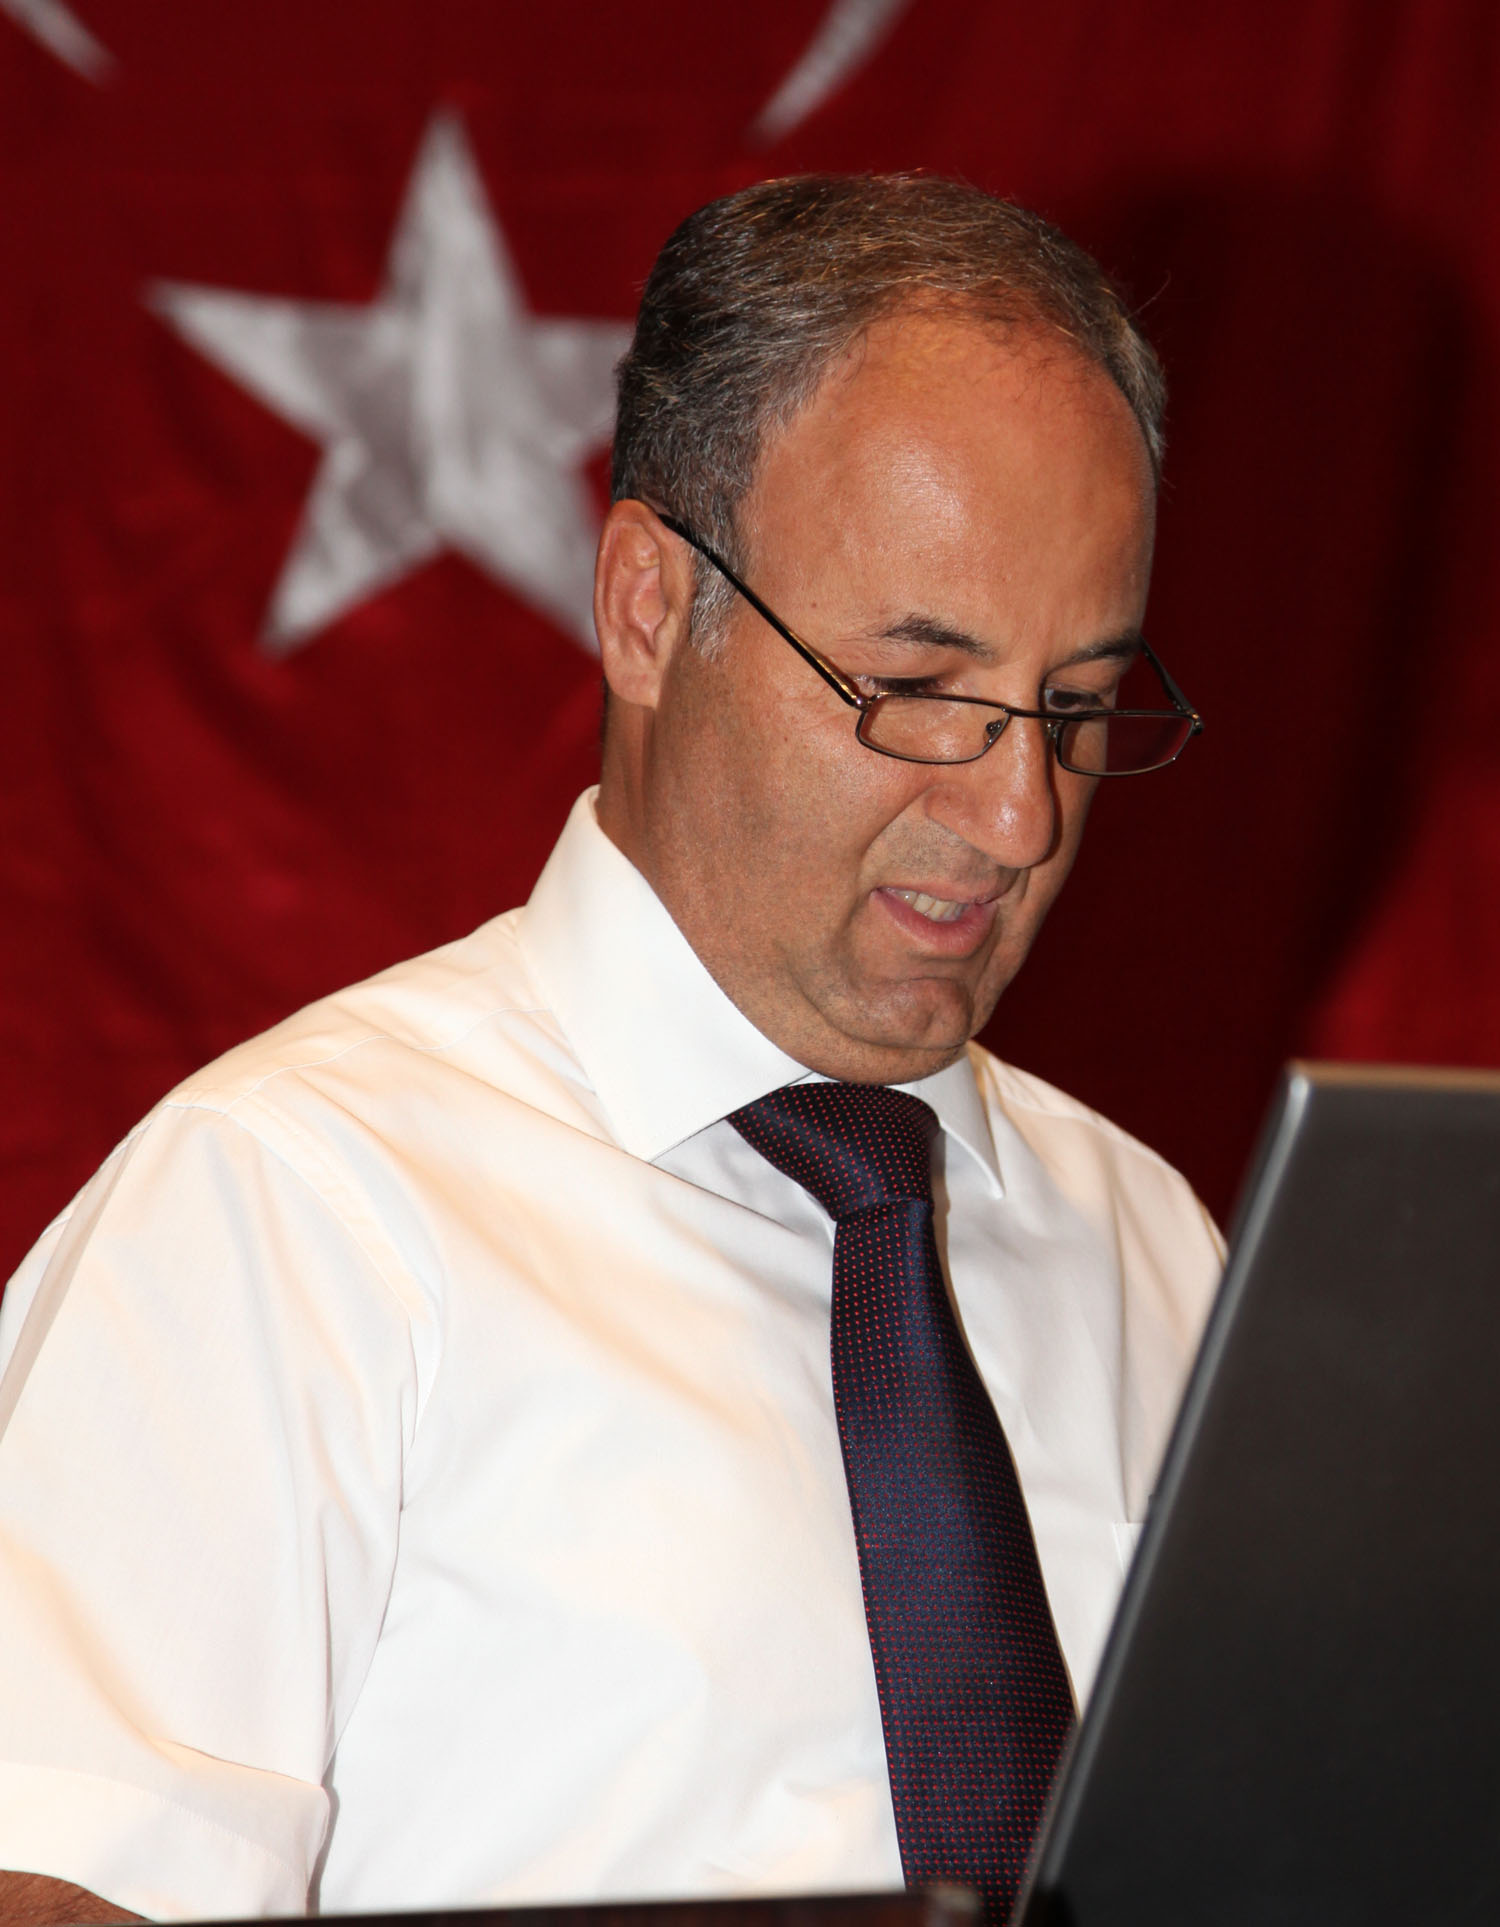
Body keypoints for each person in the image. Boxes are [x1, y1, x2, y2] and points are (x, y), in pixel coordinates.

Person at [0, 173, 1221, 1926]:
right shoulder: (293, 1215)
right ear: (650, 608)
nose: (1020, 814)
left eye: (1079, 704)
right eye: (918, 691)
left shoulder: (1157, 1248)